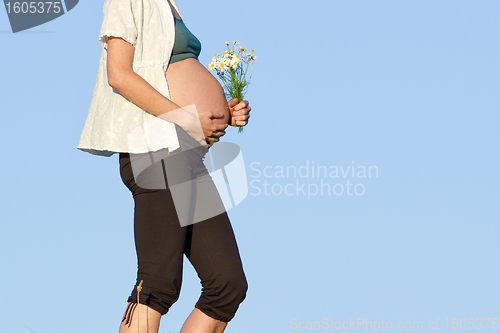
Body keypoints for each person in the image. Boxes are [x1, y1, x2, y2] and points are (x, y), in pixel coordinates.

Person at [77, 0, 252, 332]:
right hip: (155, 150)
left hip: (187, 156)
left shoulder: (168, 4)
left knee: (227, 285)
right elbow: (119, 74)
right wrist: (187, 117)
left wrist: (222, 111)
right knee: (157, 283)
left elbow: (168, 75)